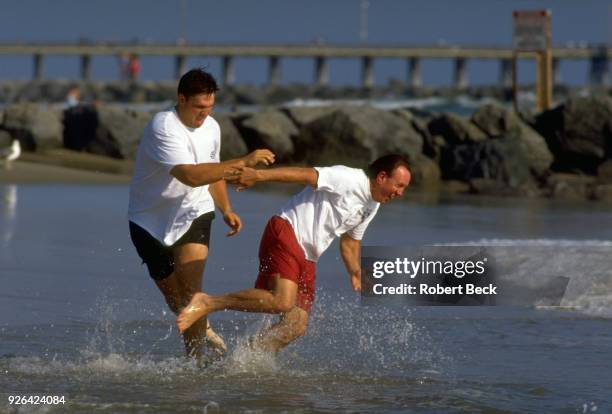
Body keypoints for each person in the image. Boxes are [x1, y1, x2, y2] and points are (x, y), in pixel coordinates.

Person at [176, 154, 411, 353]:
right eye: (399, 186)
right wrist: (259, 176)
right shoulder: (349, 178)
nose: (400, 193)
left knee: (296, 325)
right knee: (282, 301)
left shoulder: (373, 205)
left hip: (309, 255)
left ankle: (246, 358)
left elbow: (350, 241)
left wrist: (355, 271)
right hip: (287, 231)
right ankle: (208, 302)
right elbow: (305, 175)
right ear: (381, 177)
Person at [128, 68, 275, 361]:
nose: (204, 115)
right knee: (177, 301)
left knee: (193, 294)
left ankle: (195, 365)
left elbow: (212, 171)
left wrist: (226, 209)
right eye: (198, 108)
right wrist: (243, 161)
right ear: (181, 99)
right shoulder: (164, 126)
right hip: (148, 221)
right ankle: (202, 327)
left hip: (194, 213)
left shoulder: (212, 128)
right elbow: (191, 175)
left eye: (209, 108)